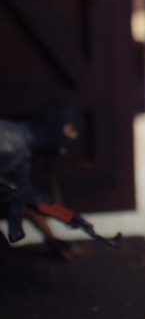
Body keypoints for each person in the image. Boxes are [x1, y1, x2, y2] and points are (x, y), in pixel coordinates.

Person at [0, 97, 84, 260]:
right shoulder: (10, 141)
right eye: (71, 131)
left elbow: (25, 199)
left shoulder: (21, 156)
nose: (63, 151)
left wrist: (52, 240)